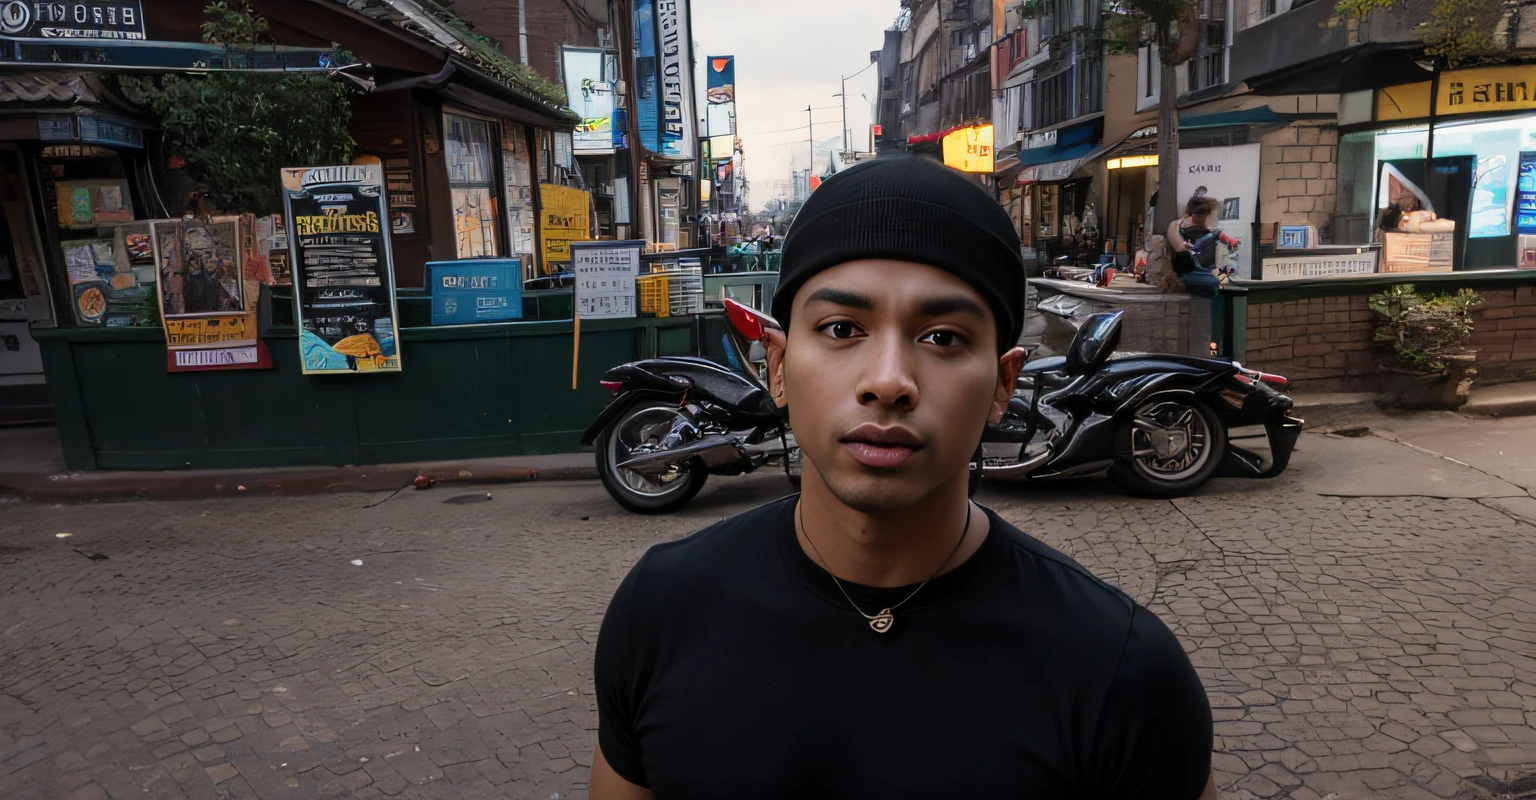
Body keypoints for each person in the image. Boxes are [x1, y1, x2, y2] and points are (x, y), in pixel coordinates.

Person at [590, 156, 1215, 800]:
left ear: (1003, 383)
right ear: (777, 365)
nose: (888, 380)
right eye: (841, 329)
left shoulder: (1119, 670)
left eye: (942, 337)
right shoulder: (661, 613)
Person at [1167, 195, 1239, 290]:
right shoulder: (1177, 226)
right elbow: (1184, 254)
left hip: (1205, 273)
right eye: (1212, 216)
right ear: (1197, 216)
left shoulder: (1212, 232)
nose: (1215, 220)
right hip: (1192, 274)